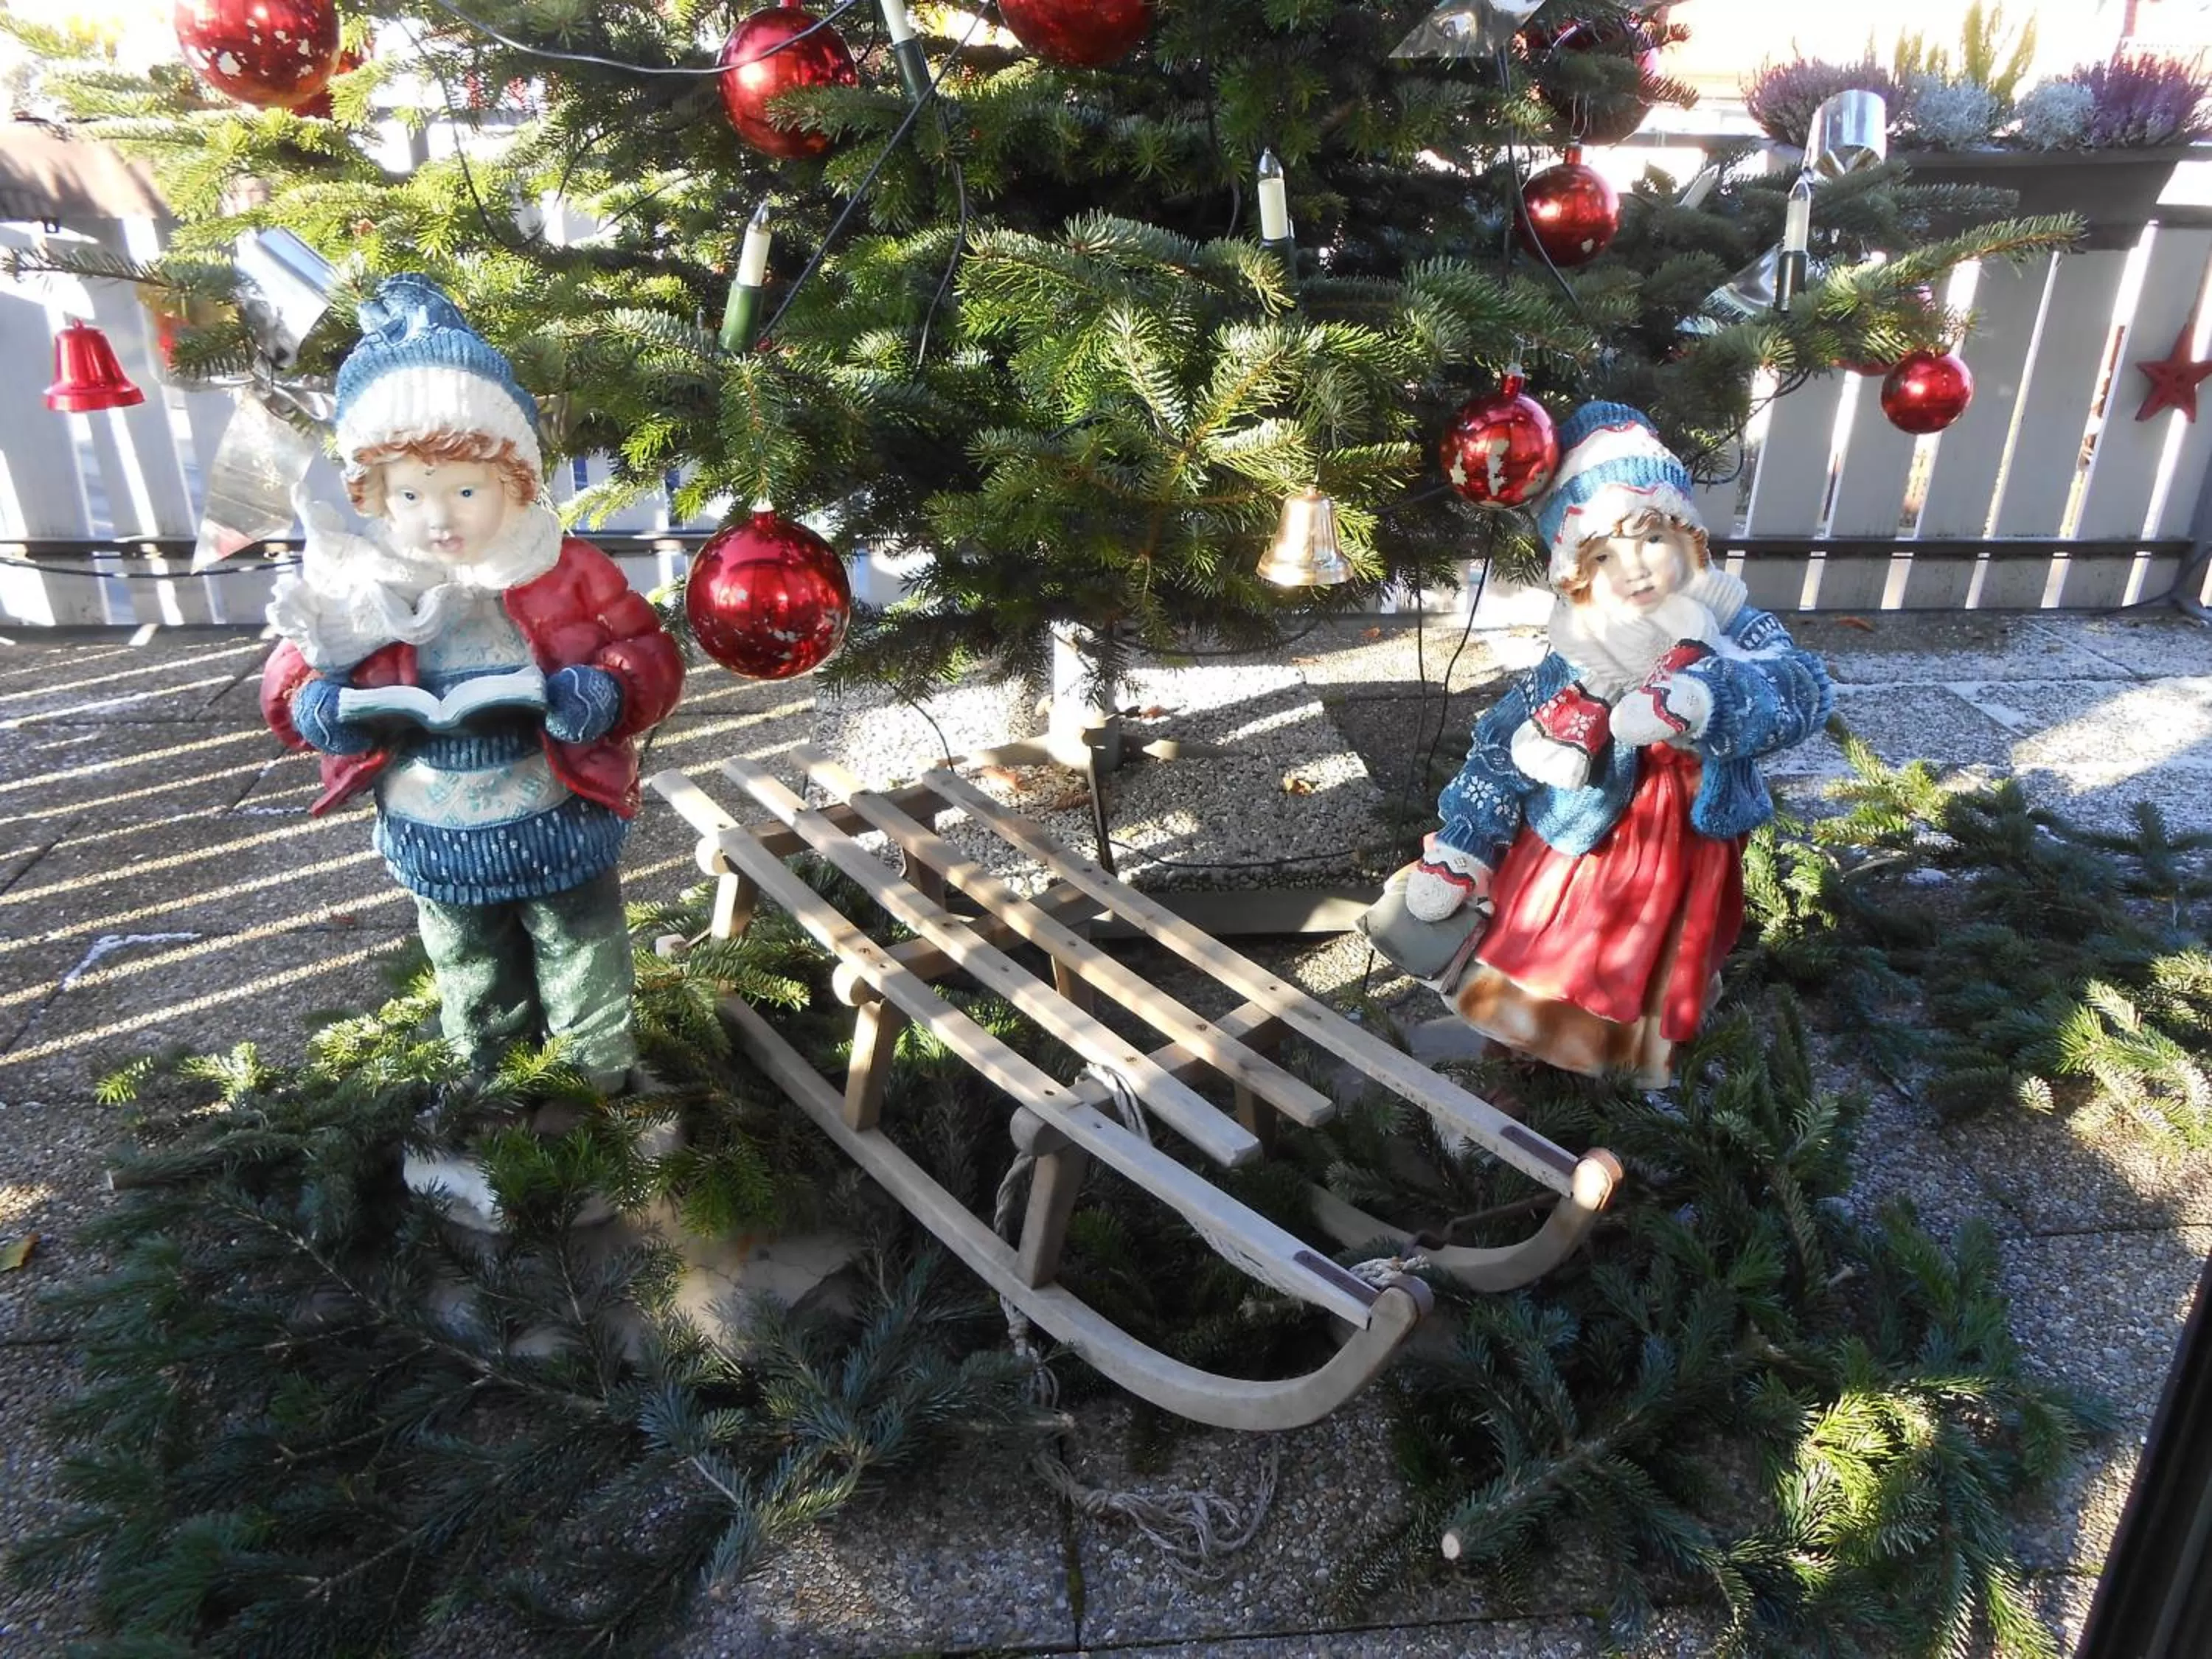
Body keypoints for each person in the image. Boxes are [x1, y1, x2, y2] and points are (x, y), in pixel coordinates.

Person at [260, 274, 684, 1102]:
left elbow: (650, 653)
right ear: (375, 497)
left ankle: (597, 1077)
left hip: (556, 811)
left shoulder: (563, 569)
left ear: (515, 482)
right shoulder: (358, 586)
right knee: (466, 953)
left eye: (464, 490)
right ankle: (490, 1078)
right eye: (410, 495)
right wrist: (320, 709)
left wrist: (605, 689)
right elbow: (295, 673)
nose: (439, 517)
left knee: (582, 943)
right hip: (434, 824)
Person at [1404, 401, 1832, 1086]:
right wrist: (1466, 842)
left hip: (1686, 835)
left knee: (1656, 953)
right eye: (1605, 553)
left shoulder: (1732, 628)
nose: (1634, 569)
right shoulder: (1581, 650)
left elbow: (1800, 691)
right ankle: (1522, 1047)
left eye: (1651, 539)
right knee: (1547, 937)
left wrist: (1704, 701)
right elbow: (1502, 744)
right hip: (1581, 832)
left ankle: (1626, 1063)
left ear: (1688, 539)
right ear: (1577, 568)